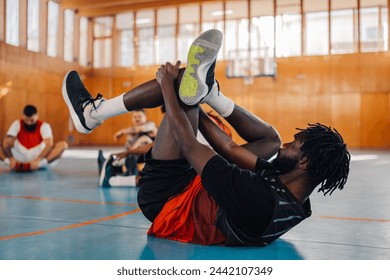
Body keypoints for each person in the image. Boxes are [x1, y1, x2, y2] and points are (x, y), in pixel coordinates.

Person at [62, 29, 350, 246]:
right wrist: (202, 98)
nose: (287, 145)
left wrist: (167, 87)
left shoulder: (257, 199)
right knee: (269, 139)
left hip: (168, 201)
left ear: (304, 162)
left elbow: (188, 143)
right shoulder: (294, 193)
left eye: (294, 146)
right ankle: (212, 94)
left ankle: (92, 114)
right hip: (205, 193)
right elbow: (228, 146)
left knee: (178, 87)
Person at [97, 109, 157, 187]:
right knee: (129, 153)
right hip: (140, 161)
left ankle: (114, 175)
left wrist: (122, 132)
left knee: (144, 139)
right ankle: (111, 166)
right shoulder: (132, 135)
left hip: (152, 158)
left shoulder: (151, 126)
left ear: (145, 117)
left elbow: (141, 129)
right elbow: (129, 149)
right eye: (135, 117)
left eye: (139, 116)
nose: (137, 118)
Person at [0, 105, 68, 172]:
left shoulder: (44, 126)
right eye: (26, 120)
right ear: (23, 116)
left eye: (32, 120)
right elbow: (7, 141)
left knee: (63, 145)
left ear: (37, 116)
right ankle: (10, 162)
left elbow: (49, 144)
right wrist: (11, 158)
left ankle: (39, 164)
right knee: (8, 140)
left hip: (39, 157)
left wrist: (38, 159)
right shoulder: (17, 123)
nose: (29, 123)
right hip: (19, 156)